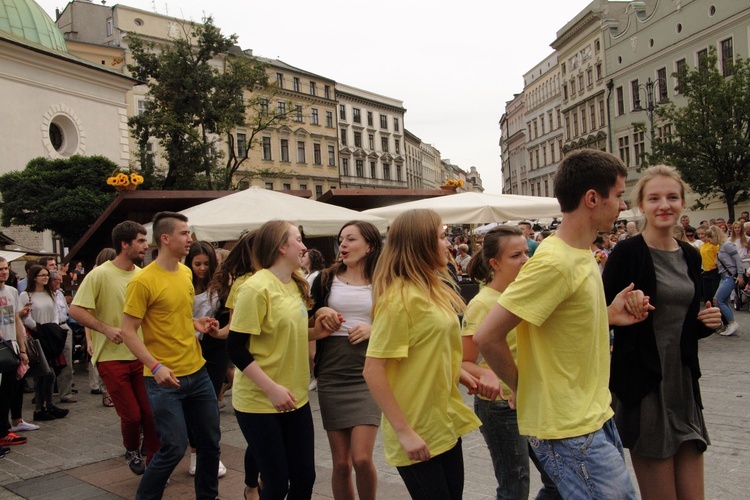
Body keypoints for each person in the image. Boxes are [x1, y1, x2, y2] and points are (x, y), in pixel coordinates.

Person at [473, 149, 653, 499]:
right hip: (568, 426)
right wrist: (522, 389)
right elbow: (487, 335)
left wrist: (609, 313)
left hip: (592, 415)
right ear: (591, 198)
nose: (621, 205)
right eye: (617, 196)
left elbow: (561, 322)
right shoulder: (554, 262)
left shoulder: (580, 252)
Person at [602, 165, 722, 499]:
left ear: (683, 203)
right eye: (654, 198)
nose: (664, 205)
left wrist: (709, 323)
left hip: (683, 386)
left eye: (672, 197)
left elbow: (683, 326)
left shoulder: (690, 255)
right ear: (641, 205)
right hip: (645, 390)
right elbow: (595, 317)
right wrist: (619, 309)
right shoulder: (627, 253)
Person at [363, 209, 481, 500]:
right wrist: (404, 432)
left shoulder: (431, 289)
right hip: (417, 427)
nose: (449, 243)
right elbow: (373, 370)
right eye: (442, 236)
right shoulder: (399, 299)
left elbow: (431, 349)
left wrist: (462, 374)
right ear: (421, 242)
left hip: (444, 421)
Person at [121, 212, 221, 500]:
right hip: (164, 379)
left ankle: (208, 496)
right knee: (174, 447)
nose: (190, 239)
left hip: (198, 372)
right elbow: (128, 331)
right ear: (165, 238)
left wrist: (195, 323)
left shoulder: (186, 272)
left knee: (211, 443)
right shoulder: (143, 281)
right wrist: (156, 366)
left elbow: (175, 315)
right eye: (184, 233)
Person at [460, 226, 560, 500]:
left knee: (558, 482)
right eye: (516, 255)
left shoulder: (527, 294)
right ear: (495, 263)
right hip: (501, 406)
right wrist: (486, 374)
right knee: (515, 486)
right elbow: (464, 362)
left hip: (533, 399)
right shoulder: (483, 303)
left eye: (526, 252)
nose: (526, 260)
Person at [228, 220, 319, 500]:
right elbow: (236, 348)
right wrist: (271, 388)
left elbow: (287, 334)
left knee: (305, 478)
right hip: (259, 402)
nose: (304, 246)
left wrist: (319, 331)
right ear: (281, 247)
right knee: (277, 483)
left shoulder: (295, 283)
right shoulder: (256, 288)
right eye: (298, 240)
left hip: (295, 397)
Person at [69, 221, 160, 477]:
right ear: (124, 243)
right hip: (110, 358)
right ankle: (132, 449)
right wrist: (105, 329)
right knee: (131, 416)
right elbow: (75, 310)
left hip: (142, 356)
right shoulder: (99, 274)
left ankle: (155, 468)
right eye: (141, 241)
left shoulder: (143, 275)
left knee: (151, 416)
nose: (146, 246)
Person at [311, 221, 383, 500]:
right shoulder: (325, 278)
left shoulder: (385, 279)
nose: (343, 245)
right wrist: (322, 310)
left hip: (368, 372)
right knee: (341, 462)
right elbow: (307, 315)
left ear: (370, 246)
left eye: (351, 239)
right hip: (331, 371)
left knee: (362, 458)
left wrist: (374, 329)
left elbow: (402, 323)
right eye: (341, 239)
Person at [209, 230, 261, 500]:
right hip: (253, 367)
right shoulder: (242, 283)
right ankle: (252, 486)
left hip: (286, 369)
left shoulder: (287, 279)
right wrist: (216, 333)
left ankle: (258, 483)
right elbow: (232, 327)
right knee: (260, 441)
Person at [185, 241, 228, 478]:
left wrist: (215, 325)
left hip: (214, 348)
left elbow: (224, 314)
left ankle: (210, 454)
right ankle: (194, 452)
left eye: (206, 264)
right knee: (193, 406)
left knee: (210, 403)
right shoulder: (183, 283)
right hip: (187, 349)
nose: (202, 268)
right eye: (197, 263)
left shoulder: (220, 286)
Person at [20, 265, 69, 422]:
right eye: (42, 275)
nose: (45, 278)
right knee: (44, 373)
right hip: (37, 335)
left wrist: (52, 328)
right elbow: (26, 318)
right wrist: (41, 329)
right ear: (34, 277)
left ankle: (48, 405)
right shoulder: (26, 295)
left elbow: (54, 313)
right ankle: (40, 408)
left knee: (50, 372)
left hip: (50, 334)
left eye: (47, 275)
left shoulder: (50, 294)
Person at [0, 257, 33, 449]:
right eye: (0, 269)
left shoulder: (12, 291)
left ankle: (5, 429)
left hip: (11, 346)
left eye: (5, 268)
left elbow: (16, 321)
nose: (4, 272)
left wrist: (22, 349)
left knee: (9, 390)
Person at [82, 248, 116, 407]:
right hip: (100, 331)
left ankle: (109, 394)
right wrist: (88, 339)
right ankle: (106, 394)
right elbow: (85, 312)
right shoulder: (95, 277)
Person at [707, 226, 745, 336]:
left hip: (730, 277)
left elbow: (738, 260)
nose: (709, 243)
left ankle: (732, 322)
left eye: (710, 240)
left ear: (714, 237)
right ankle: (730, 323)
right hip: (725, 277)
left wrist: (740, 275)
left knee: (718, 300)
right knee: (723, 300)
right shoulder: (722, 247)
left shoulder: (727, 245)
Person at [49, 270, 76, 403]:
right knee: (49, 363)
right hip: (51, 329)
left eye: (60, 279)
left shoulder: (60, 294)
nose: (59, 282)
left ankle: (66, 393)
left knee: (67, 361)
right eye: (56, 280)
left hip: (63, 326)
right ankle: (45, 395)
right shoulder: (46, 295)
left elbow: (67, 311)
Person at [301, 247, 325, 391]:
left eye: (305, 256)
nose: (302, 257)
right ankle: (314, 376)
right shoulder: (305, 275)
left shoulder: (316, 275)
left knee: (312, 352)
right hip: (305, 313)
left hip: (312, 314)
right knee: (309, 351)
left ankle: (317, 376)